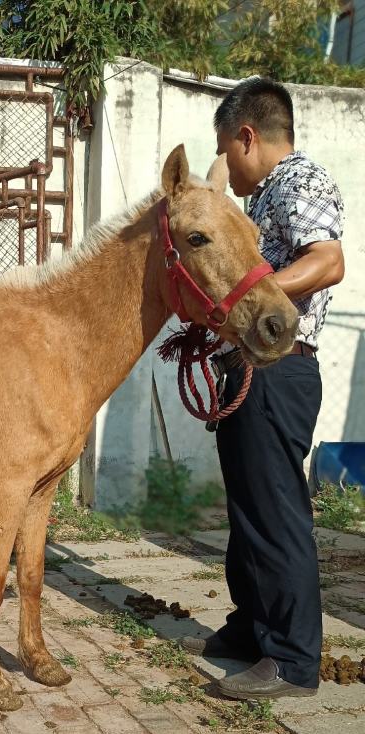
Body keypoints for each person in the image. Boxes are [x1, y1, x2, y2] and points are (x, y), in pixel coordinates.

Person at [183, 76, 345, 699]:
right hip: (253, 369)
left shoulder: (301, 181)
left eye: (225, 148)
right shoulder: (268, 195)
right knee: (249, 512)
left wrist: (254, 295)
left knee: (276, 516)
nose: (223, 162)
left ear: (247, 136)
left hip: (282, 370)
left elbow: (327, 261)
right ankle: (252, 628)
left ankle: (294, 660)